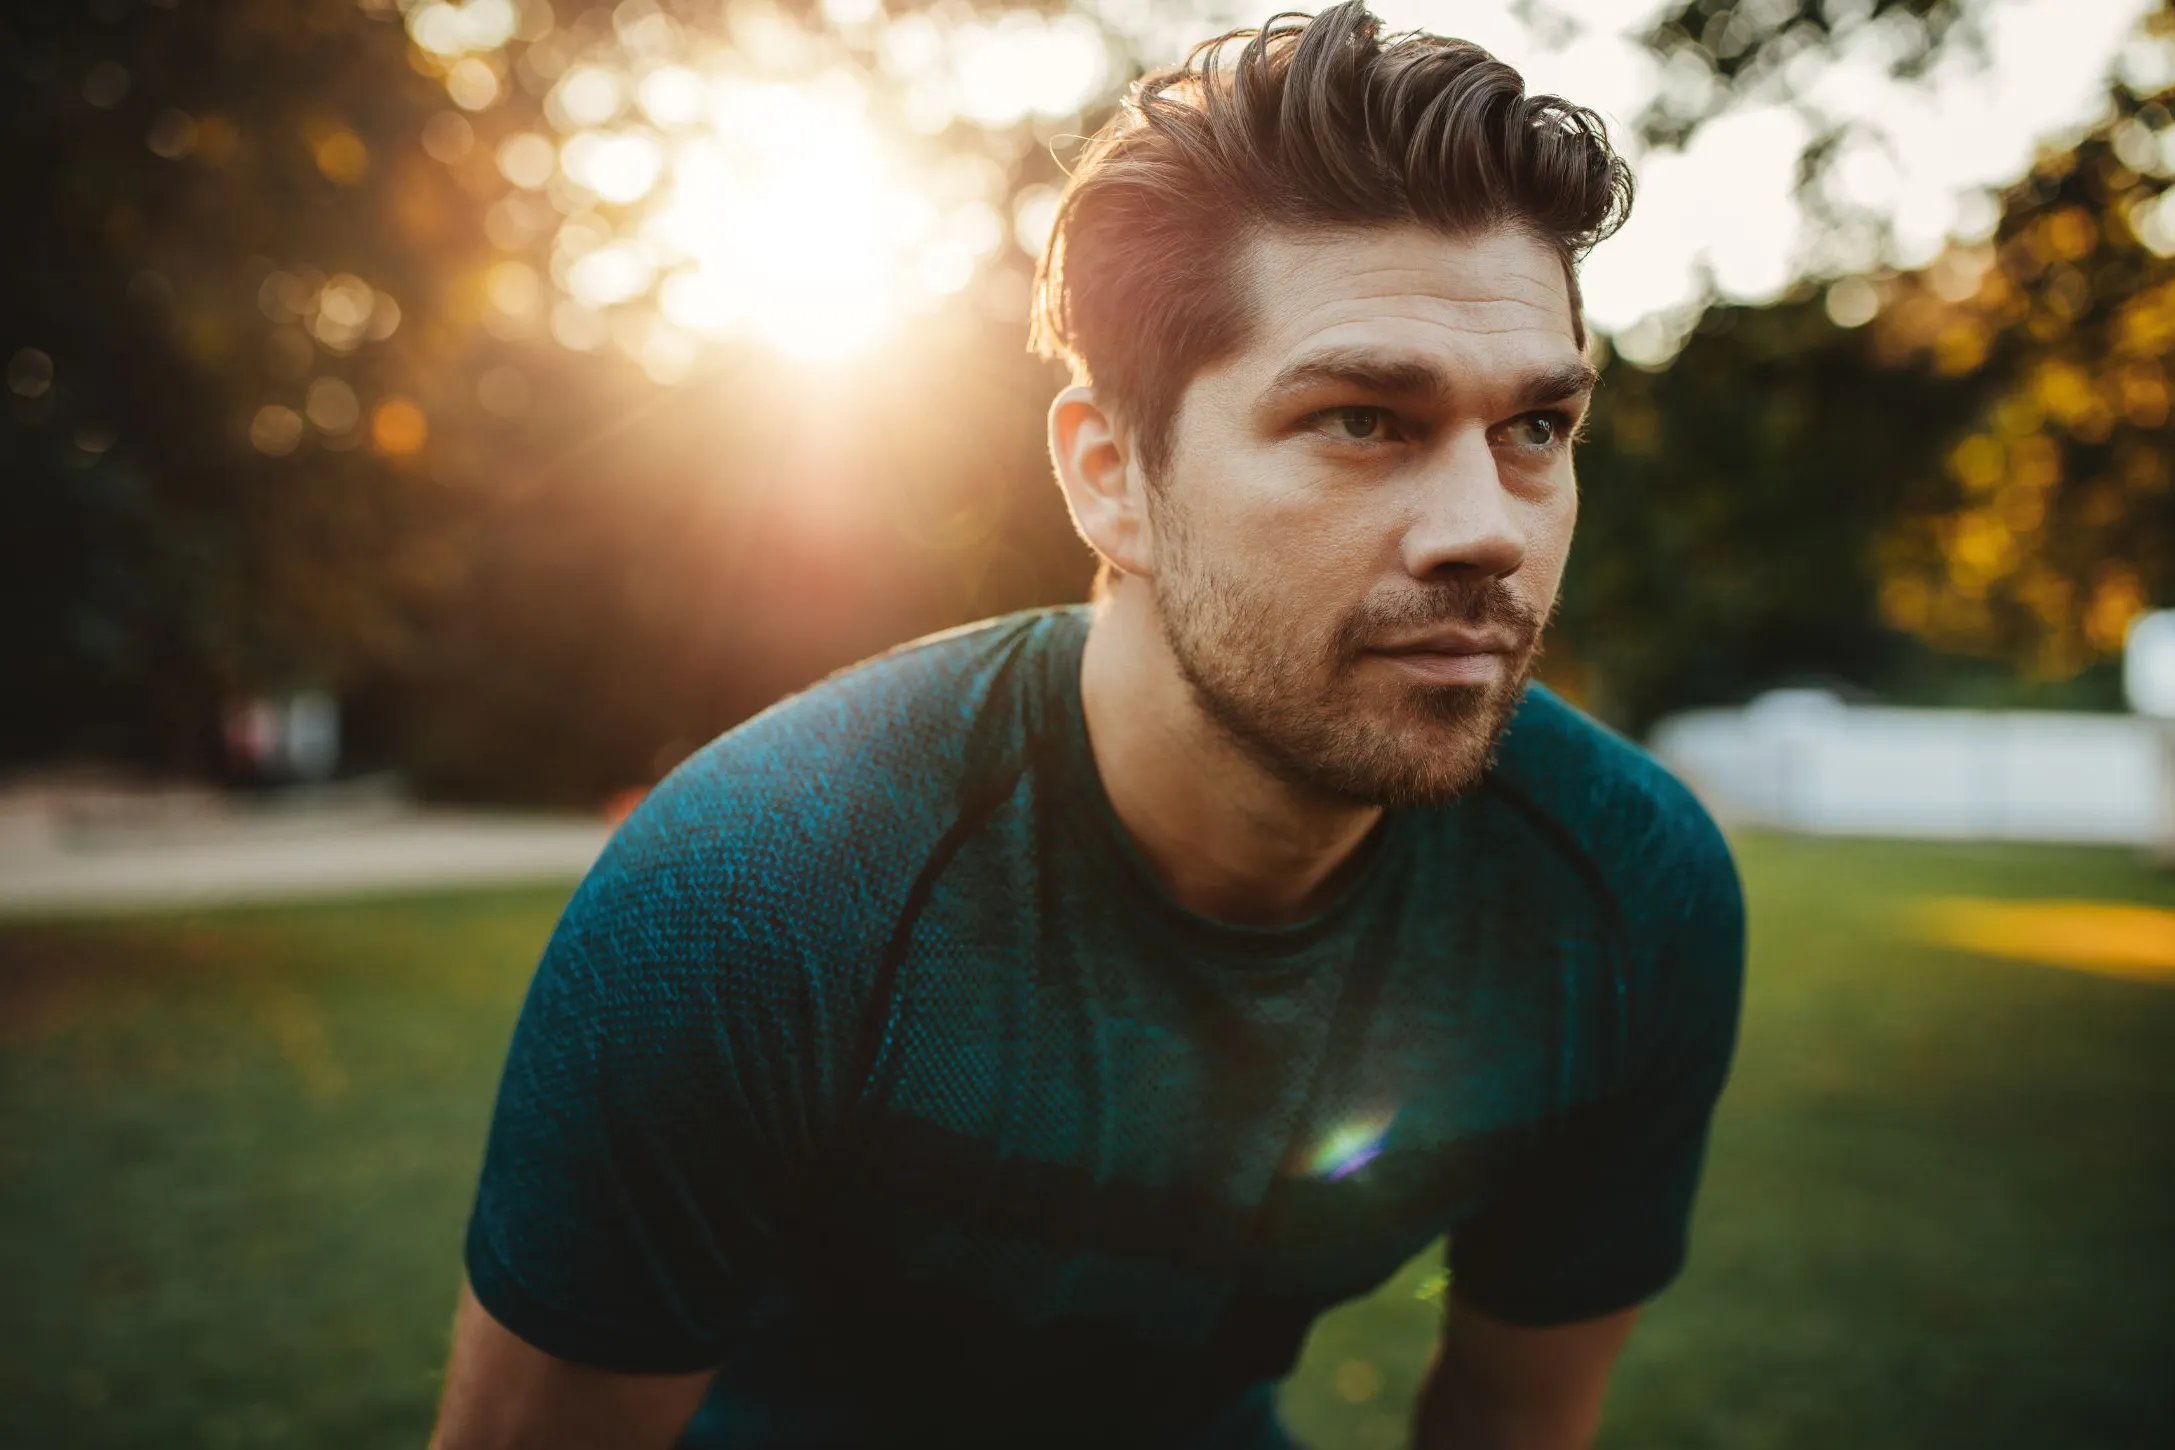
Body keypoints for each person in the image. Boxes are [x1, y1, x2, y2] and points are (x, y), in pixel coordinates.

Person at [430, 5, 1744, 1447]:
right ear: (1110, 473)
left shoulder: (1621, 893)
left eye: (1536, 430)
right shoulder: (754, 897)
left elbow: (1513, 1417)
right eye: (1363, 418)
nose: (1482, 530)